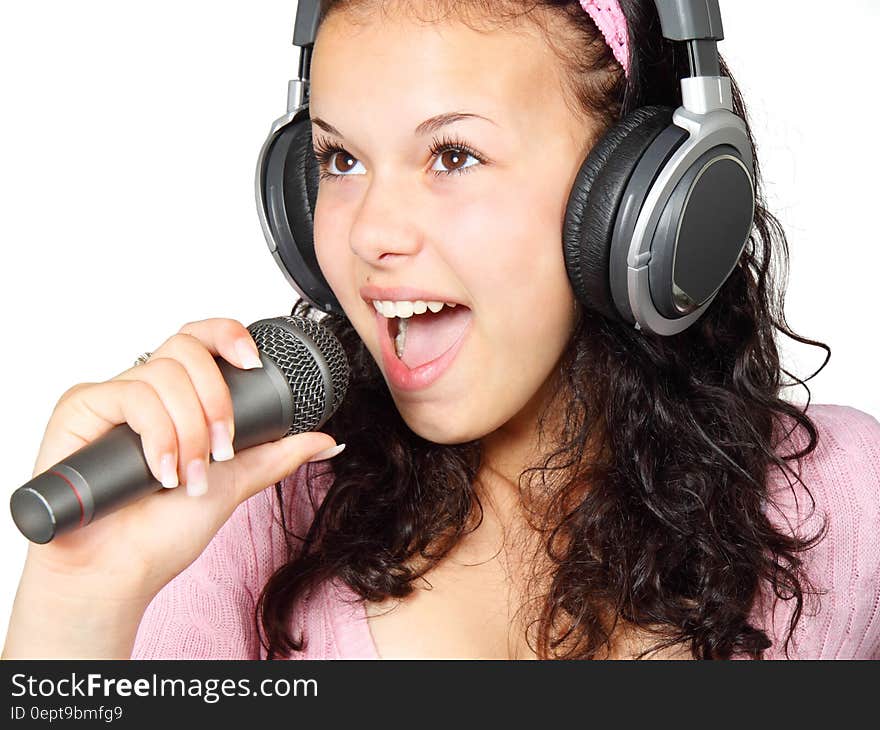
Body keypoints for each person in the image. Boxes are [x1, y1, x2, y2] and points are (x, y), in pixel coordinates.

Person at [4, 0, 879, 661]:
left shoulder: (850, 501)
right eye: (339, 159)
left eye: (452, 155)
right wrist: (82, 602)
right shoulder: (234, 514)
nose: (372, 232)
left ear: (643, 205)